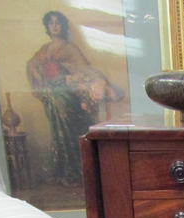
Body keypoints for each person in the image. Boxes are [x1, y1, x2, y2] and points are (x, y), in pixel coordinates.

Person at [27, 11, 123, 186]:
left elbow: (85, 68)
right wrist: (42, 81)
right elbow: (31, 64)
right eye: (51, 23)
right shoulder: (44, 50)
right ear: (47, 27)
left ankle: (74, 171)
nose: (54, 26)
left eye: (58, 22)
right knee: (56, 132)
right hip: (51, 95)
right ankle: (60, 170)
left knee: (68, 130)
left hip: (66, 95)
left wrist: (103, 83)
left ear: (62, 26)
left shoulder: (69, 48)